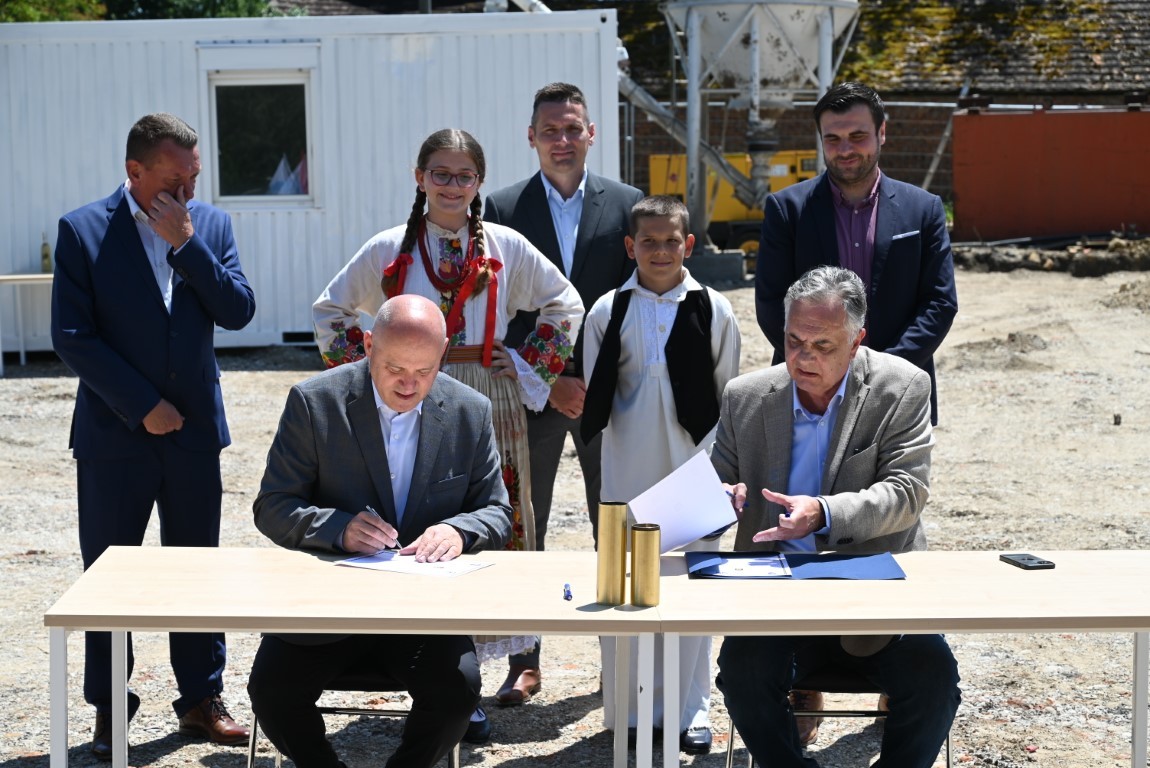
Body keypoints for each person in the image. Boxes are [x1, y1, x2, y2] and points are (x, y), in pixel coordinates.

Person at [312, 128, 583, 740]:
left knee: (484, 527)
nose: (452, 185)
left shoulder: (506, 246)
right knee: (414, 522)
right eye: (441, 173)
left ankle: (468, 689)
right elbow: (330, 309)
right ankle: (422, 673)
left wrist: (527, 364)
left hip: (485, 396)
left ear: (479, 183)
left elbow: (565, 303)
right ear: (420, 177)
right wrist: (367, 373)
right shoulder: (390, 248)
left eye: (464, 176)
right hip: (408, 393)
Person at [50, 112, 256, 759]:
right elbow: (72, 336)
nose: (188, 192)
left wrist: (187, 244)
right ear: (134, 171)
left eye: (194, 178)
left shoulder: (209, 226)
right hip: (115, 436)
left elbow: (238, 310)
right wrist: (142, 406)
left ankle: (201, 697)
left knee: (195, 570)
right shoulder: (83, 230)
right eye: (174, 181)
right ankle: (110, 708)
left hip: (194, 435)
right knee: (109, 576)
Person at [248, 295, 513, 768]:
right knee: (271, 692)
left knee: (458, 693)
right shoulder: (314, 402)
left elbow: (496, 510)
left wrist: (457, 531)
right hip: (324, 611)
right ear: (369, 345)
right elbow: (273, 505)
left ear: (443, 353)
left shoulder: (470, 410)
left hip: (423, 616)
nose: (409, 385)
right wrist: (338, 528)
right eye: (395, 369)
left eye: (425, 371)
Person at [712, 266, 961, 768]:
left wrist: (823, 513)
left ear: (856, 341)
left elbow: (907, 492)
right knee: (741, 674)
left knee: (935, 681)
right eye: (793, 341)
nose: (803, 357)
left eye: (822, 345)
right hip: (776, 595)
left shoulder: (903, 387)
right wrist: (718, 497)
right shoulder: (745, 396)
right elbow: (716, 482)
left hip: (874, 591)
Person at [483, 81, 643, 705]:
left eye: (573, 128)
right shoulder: (501, 208)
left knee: (617, 525)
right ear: (532, 137)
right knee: (526, 524)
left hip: (609, 395)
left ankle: (619, 659)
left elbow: (634, 304)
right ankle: (524, 661)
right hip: (533, 394)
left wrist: (590, 381)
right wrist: (549, 381)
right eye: (550, 130)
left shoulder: (627, 205)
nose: (562, 140)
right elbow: (499, 307)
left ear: (591, 133)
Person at [581, 195, 741, 754]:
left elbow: (726, 389)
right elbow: (597, 389)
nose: (660, 251)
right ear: (630, 247)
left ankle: (690, 710)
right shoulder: (607, 310)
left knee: (692, 582)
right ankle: (629, 710)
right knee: (626, 584)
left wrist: (714, 469)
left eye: (671, 240)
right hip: (627, 468)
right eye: (647, 241)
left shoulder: (714, 308)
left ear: (688, 244)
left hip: (693, 466)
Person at [754, 81, 958, 428]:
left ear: (882, 133)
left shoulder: (923, 210)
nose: (845, 149)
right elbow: (772, 302)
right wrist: (820, 365)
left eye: (857, 136)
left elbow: (940, 302)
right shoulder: (787, 210)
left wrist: (882, 371)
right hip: (810, 392)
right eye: (832, 138)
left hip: (897, 389)